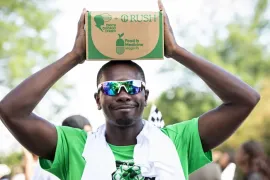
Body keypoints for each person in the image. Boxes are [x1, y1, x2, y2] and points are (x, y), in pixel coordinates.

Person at [0, 1, 260, 179]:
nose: (123, 93)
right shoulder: (73, 146)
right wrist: (74, 56)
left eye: (133, 86)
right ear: (97, 99)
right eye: (111, 87)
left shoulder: (178, 140)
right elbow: (11, 111)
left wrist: (177, 52)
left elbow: (245, 100)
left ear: (145, 96)